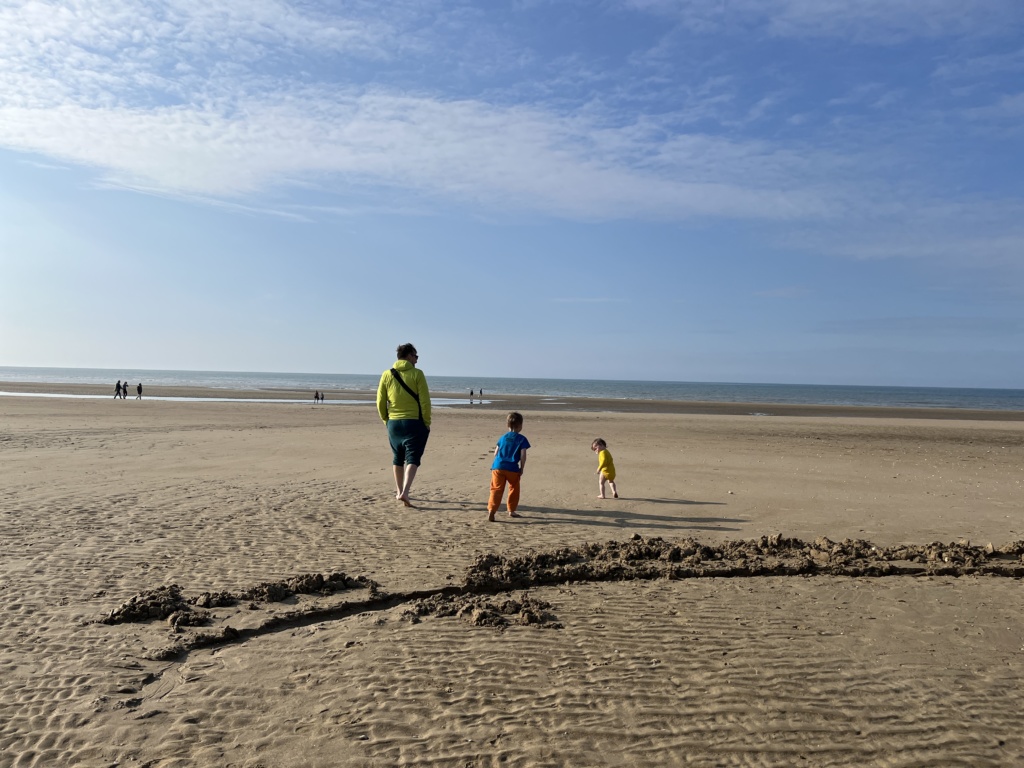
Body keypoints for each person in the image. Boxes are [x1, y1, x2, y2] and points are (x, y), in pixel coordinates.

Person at [377, 343, 431, 506]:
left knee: (397, 457)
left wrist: (386, 419)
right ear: (408, 356)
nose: (416, 359)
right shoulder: (417, 374)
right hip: (413, 422)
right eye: (415, 356)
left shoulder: (387, 374)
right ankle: (406, 492)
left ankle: (399, 491)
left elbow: (380, 401)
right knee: (412, 458)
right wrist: (426, 421)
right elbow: (425, 401)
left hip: (393, 422)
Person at [488, 411, 530, 522]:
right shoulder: (521, 439)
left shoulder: (502, 438)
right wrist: (522, 468)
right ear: (520, 426)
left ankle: (492, 510)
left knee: (496, 489)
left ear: (508, 425)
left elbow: (495, 453)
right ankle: (511, 510)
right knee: (514, 488)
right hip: (512, 468)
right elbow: (523, 455)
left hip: (498, 467)